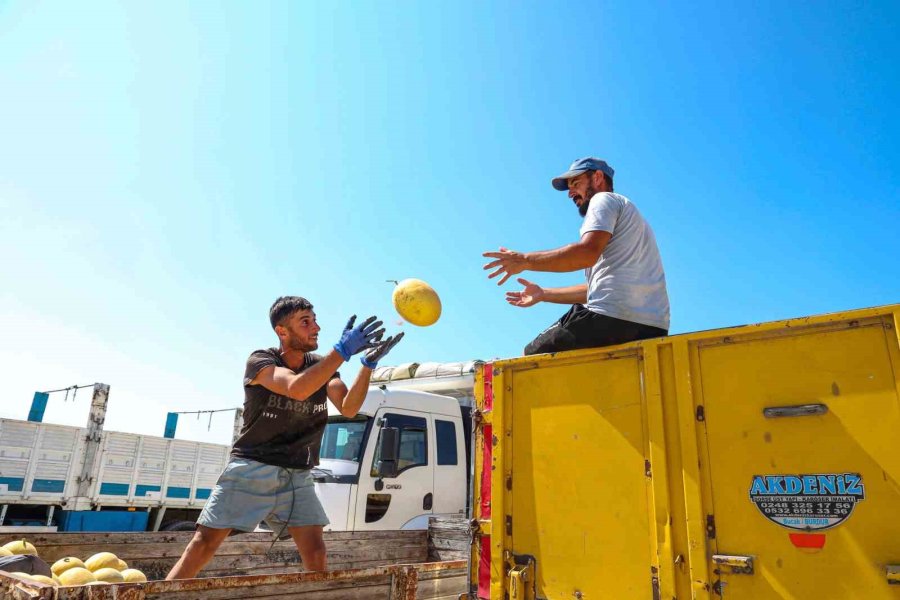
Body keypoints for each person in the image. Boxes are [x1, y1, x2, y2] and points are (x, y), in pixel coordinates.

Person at [166, 296, 403, 579]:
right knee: (205, 544)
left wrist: (366, 364)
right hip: (253, 467)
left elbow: (349, 407)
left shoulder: (323, 366)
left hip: (297, 475)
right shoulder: (261, 361)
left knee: (316, 552)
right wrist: (341, 350)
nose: (315, 327)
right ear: (282, 331)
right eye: (305, 322)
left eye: (315, 320)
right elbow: (297, 388)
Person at [483, 156, 669, 355]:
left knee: (532, 355)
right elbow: (597, 290)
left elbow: (585, 253)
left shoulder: (603, 199)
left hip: (610, 318)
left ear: (598, 178)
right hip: (652, 328)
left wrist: (524, 260)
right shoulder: (634, 222)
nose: (571, 193)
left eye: (576, 183)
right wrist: (543, 293)